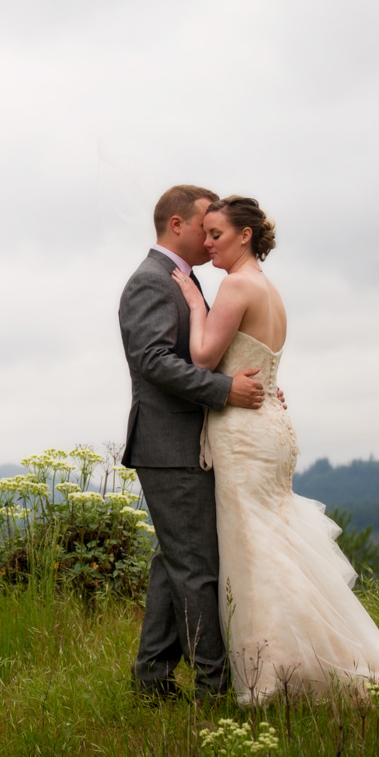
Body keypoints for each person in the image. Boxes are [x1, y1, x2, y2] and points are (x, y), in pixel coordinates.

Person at [172, 194, 379, 705]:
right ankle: (306, 655)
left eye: (216, 234)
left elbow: (202, 355)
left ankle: (284, 670)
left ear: (245, 235)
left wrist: (196, 304)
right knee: (273, 541)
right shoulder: (268, 289)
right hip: (269, 426)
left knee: (255, 545)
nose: (208, 243)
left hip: (245, 433)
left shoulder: (236, 285)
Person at [119, 185, 266, 702]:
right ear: (175, 225)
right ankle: (213, 688)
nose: (209, 237)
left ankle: (152, 680)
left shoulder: (184, 280)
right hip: (169, 444)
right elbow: (154, 362)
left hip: (188, 442)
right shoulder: (150, 282)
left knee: (175, 561)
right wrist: (227, 391)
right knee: (197, 567)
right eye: (204, 224)